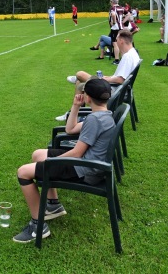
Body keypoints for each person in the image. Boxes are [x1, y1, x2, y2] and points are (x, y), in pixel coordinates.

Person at [13, 78, 115, 243]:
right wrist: (75, 107)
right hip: (87, 162)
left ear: (88, 98)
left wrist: (50, 164)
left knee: (23, 172)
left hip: (84, 168)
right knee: (38, 154)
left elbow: (76, 153)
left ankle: (38, 225)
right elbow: (70, 129)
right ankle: (53, 205)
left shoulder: (94, 120)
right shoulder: (104, 115)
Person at [108, 0, 125, 64]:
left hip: (115, 28)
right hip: (121, 27)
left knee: (115, 43)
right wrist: (122, 22)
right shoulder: (121, 7)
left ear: (112, 2)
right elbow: (128, 14)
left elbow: (113, 14)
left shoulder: (113, 8)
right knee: (120, 43)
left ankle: (117, 60)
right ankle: (123, 58)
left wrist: (114, 22)